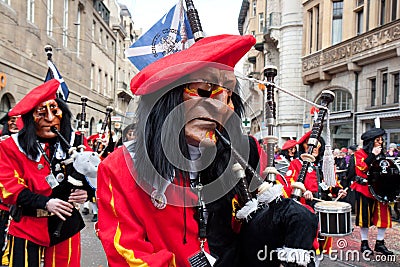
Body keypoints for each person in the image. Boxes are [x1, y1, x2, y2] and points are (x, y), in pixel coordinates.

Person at [97, 35, 317, 267]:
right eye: (204, 89)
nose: (221, 107)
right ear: (166, 99)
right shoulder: (120, 167)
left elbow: (245, 229)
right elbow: (128, 253)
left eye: (229, 95)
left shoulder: (244, 152)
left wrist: (283, 222)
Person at [0, 79, 90, 266]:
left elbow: (96, 175)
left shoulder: (76, 141)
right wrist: (46, 203)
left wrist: (87, 192)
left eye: (54, 111)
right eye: (41, 113)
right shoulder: (10, 147)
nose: (50, 118)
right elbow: (9, 189)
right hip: (27, 224)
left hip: (66, 224)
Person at [351, 128, 394, 255]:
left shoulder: (383, 155)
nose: (380, 142)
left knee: (384, 217)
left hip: (380, 190)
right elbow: (362, 168)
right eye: (377, 140)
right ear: (370, 142)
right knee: (364, 218)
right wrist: (372, 155)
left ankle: (380, 243)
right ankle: (364, 244)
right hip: (364, 189)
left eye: (381, 140)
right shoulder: (359, 154)